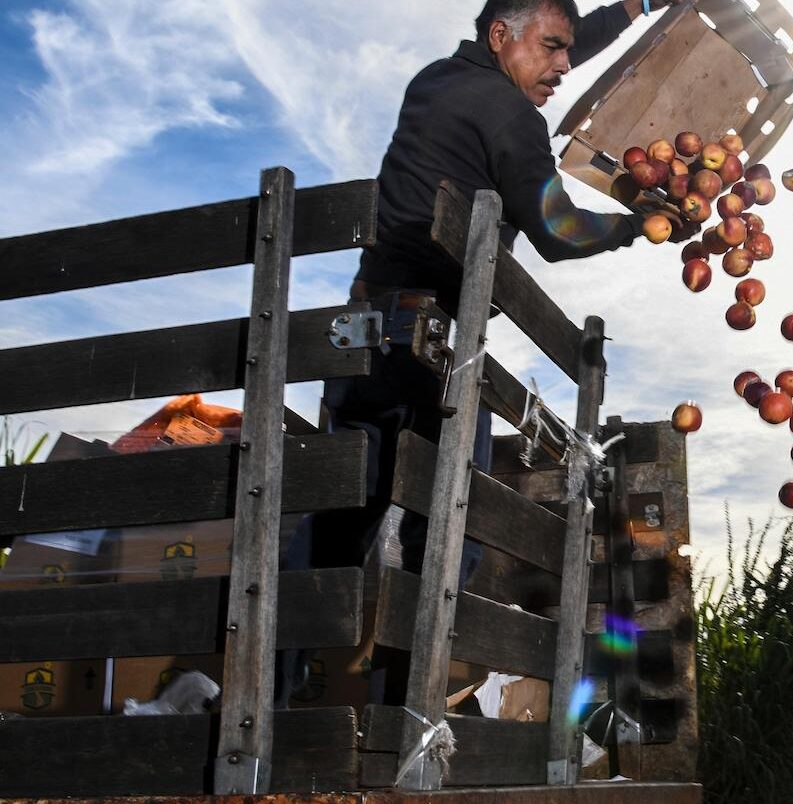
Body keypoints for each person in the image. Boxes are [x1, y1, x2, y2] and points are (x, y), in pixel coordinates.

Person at [280, 0, 687, 706]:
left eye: (567, 50)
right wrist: (638, 226)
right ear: (503, 37)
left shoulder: (440, 79)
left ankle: (265, 708)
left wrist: (630, 10)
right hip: (433, 350)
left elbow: (549, 45)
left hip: (367, 327)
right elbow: (557, 231)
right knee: (450, 531)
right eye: (552, 51)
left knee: (336, 529)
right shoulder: (511, 116)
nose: (562, 67)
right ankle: (400, 727)